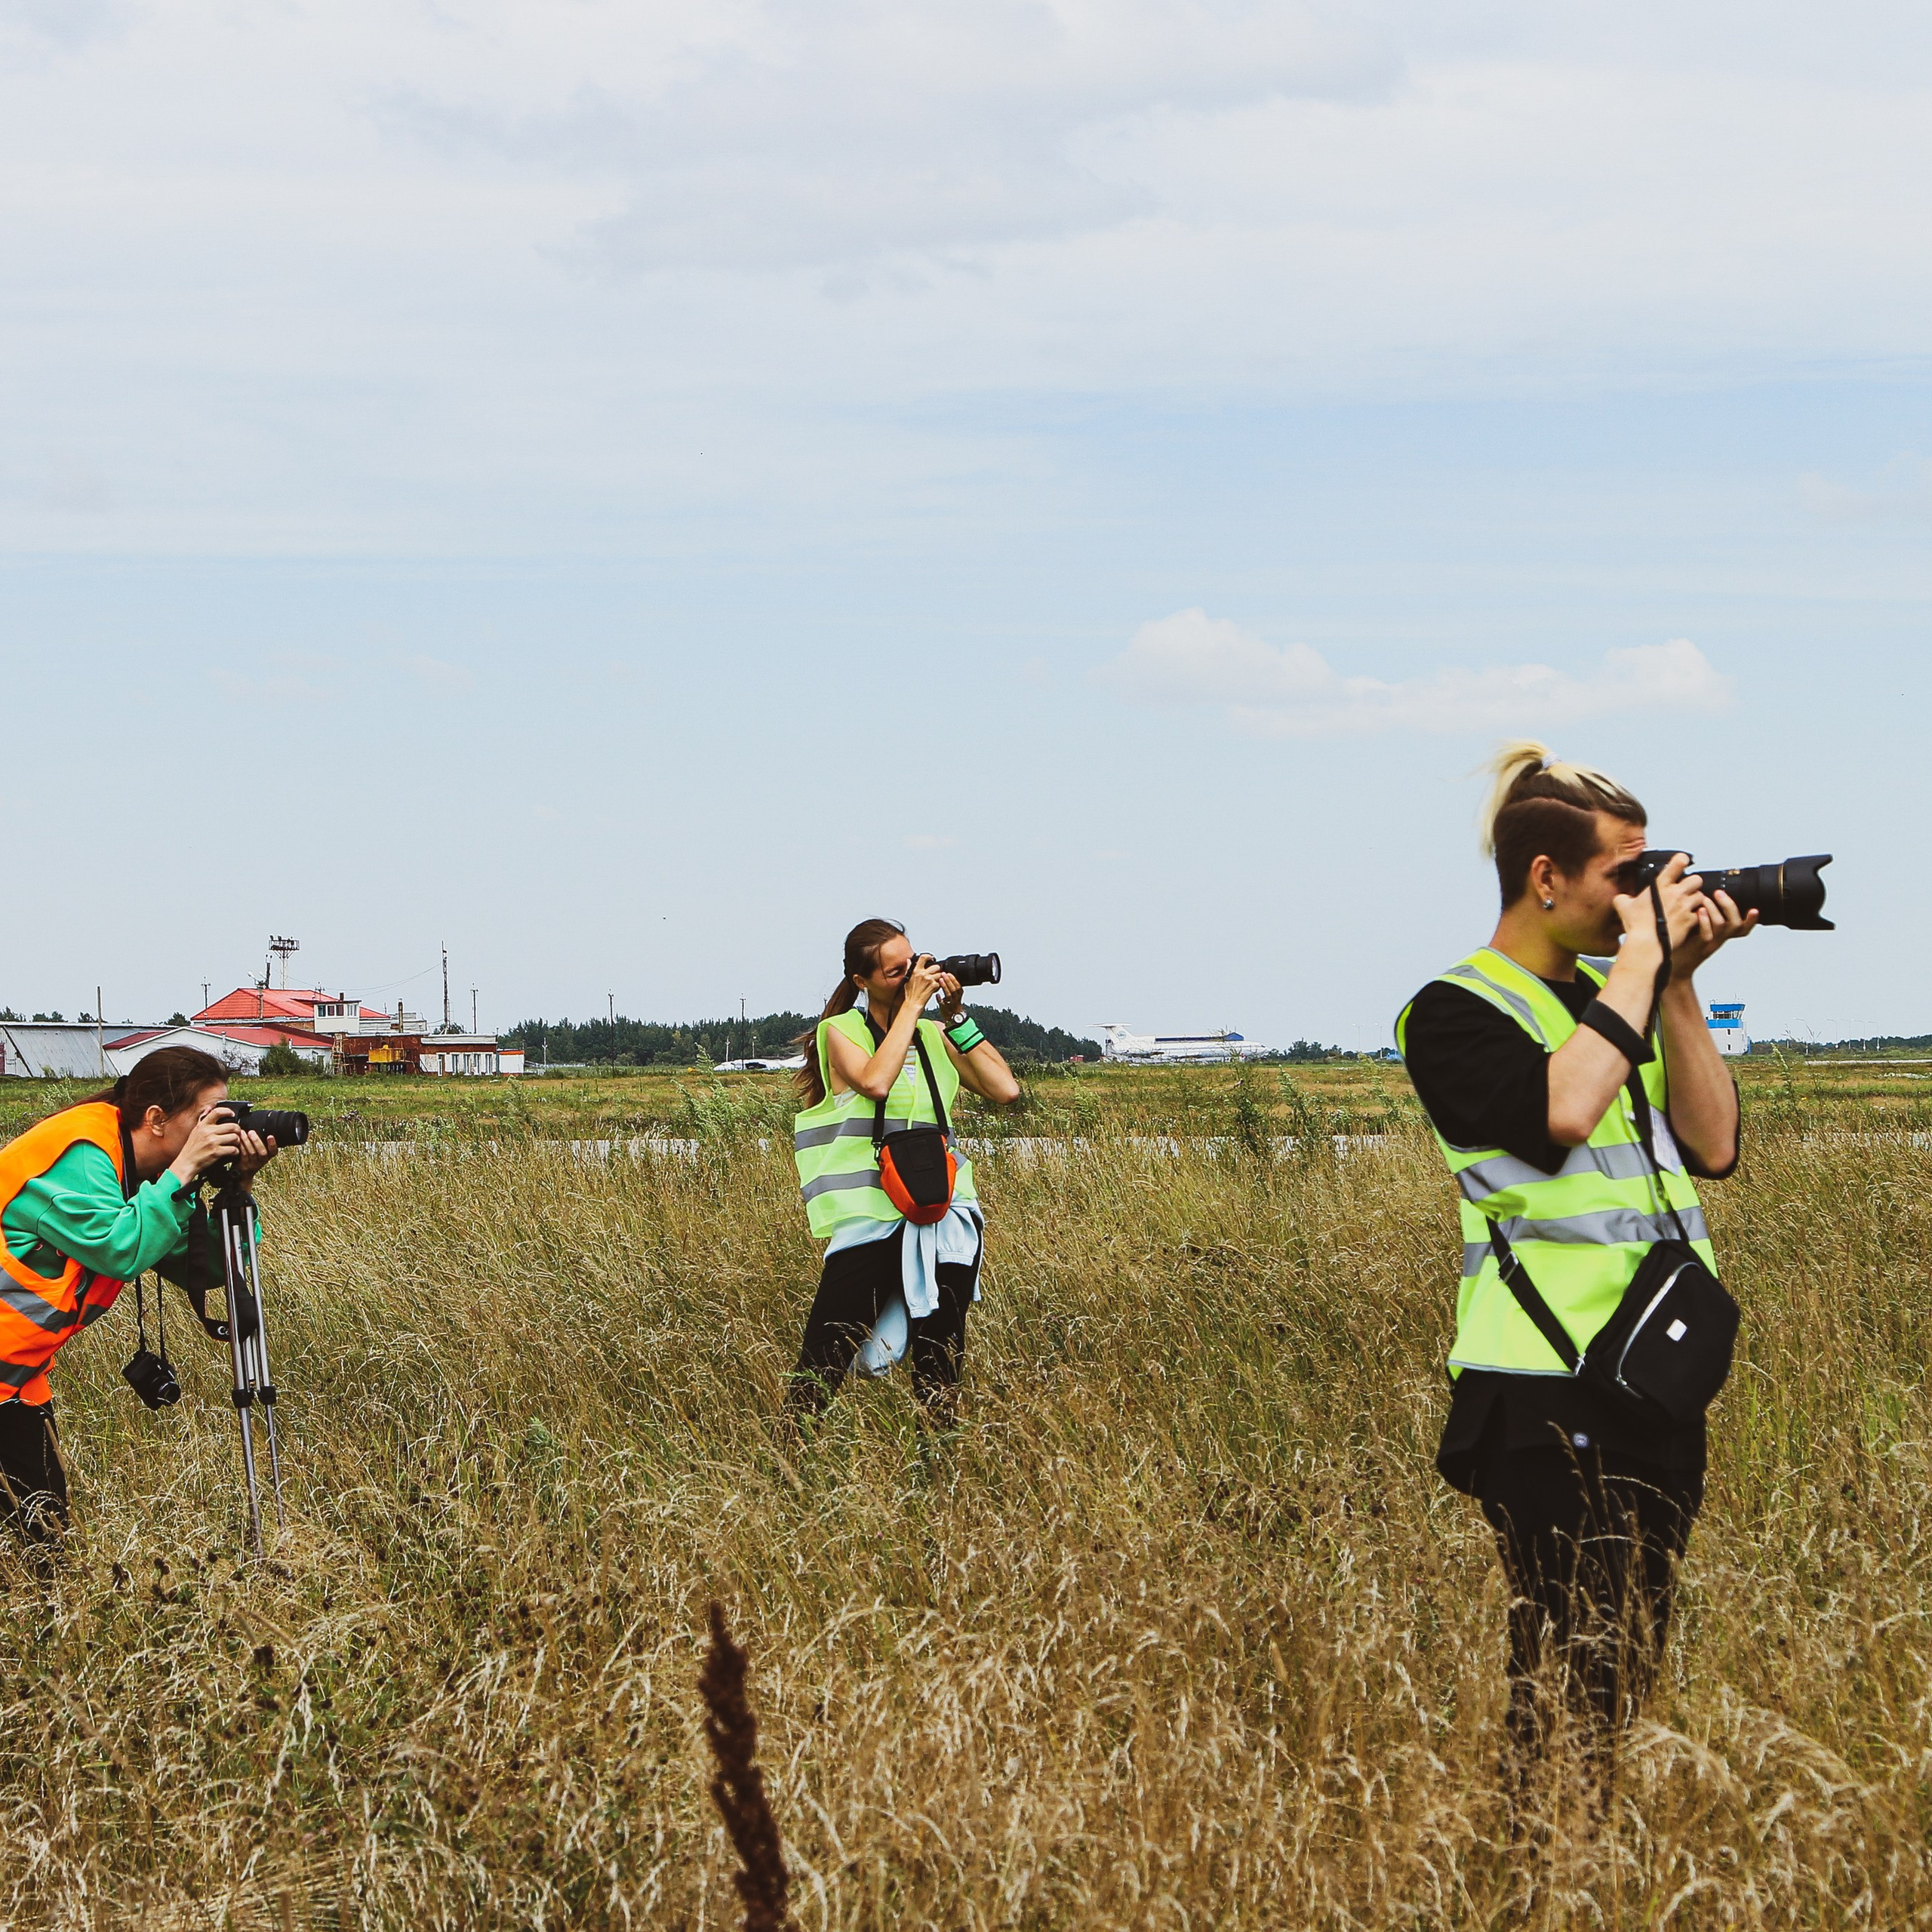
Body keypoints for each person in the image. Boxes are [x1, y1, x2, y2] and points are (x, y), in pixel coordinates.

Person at [1395, 743, 1755, 1774]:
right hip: (1540, 1386)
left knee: (1627, 1657)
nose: (1638, 901)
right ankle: (1534, 1860)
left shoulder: (1621, 995)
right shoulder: (1455, 1010)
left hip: (1650, 1378)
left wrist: (1676, 987)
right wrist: (1639, 968)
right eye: (1622, 876)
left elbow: (1715, 1144)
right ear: (1544, 877)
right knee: (1563, 1660)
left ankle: (1577, 1859)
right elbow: (1562, 1109)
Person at [0, 1046, 278, 1546]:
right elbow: (120, 1249)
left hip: (15, 1384)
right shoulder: (82, 1155)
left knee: (42, 1554)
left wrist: (241, 1184)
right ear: (155, 1119)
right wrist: (182, 1172)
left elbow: (206, 1267)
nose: (220, 1131)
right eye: (206, 1120)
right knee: (35, 1552)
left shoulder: (151, 1178)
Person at [787, 919, 1020, 1426]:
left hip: (943, 1211)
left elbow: (1006, 1090)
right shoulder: (840, 1032)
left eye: (913, 963)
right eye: (897, 972)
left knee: (941, 1360)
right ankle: (785, 1466)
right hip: (869, 1216)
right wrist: (912, 1007)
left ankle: (940, 1472)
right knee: (826, 1355)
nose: (913, 975)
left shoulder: (936, 1035)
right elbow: (875, 1082)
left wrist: (955, 1016)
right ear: (862, 981)